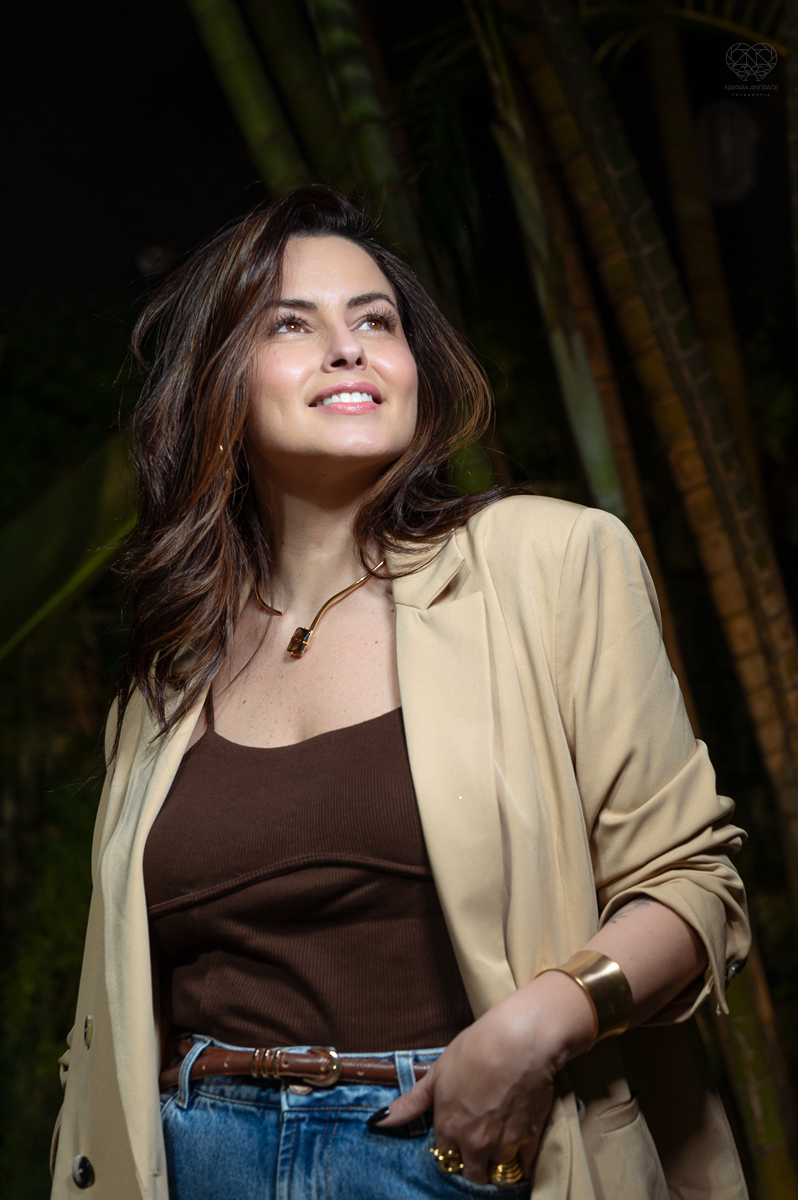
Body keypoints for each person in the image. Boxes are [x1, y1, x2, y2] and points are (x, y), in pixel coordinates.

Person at [50, 185, 750, 1200]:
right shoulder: (171, 665)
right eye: (292, 324)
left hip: (461, 1145)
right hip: (198, 1154)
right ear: (218, 385)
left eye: (375, 320)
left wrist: (537, 1026)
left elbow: (692, 883)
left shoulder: (548, 562)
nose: (348, 348)